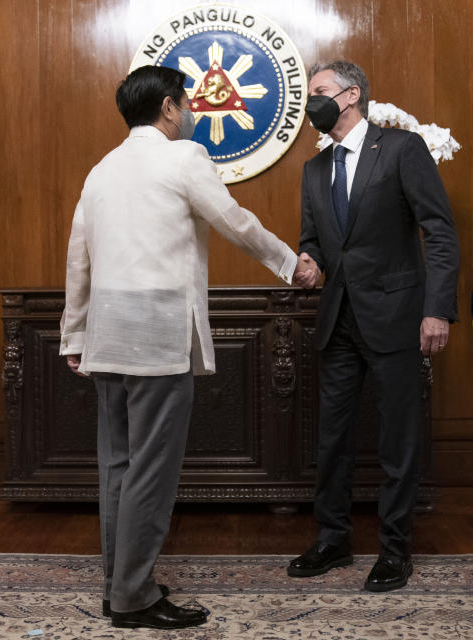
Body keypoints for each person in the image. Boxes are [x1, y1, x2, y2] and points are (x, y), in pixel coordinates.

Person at [60, 65, 315, 630]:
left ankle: (116, 585)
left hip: (107, 335)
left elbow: (78, 255)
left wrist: (74, 335)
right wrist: (287, 263)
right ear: (170, 108)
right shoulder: (184, 158)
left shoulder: (100, 169)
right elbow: (234, 220)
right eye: (188, 104)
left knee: (117, 468)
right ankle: (135, 596)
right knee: (151, 469)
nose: (193, 113)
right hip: (155, 335)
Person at [288, 60, 460, 592]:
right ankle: (333, 540)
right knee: (332, 439)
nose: (310, 100)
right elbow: (315, 240)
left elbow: (440, 233)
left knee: (398, 440)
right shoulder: (314, 170)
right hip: (337, 320)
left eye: (318, 91)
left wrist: (437, 309)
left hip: (397, 318)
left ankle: (394, 549)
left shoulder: (403, 150)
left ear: (350, 95)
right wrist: (308, 260)